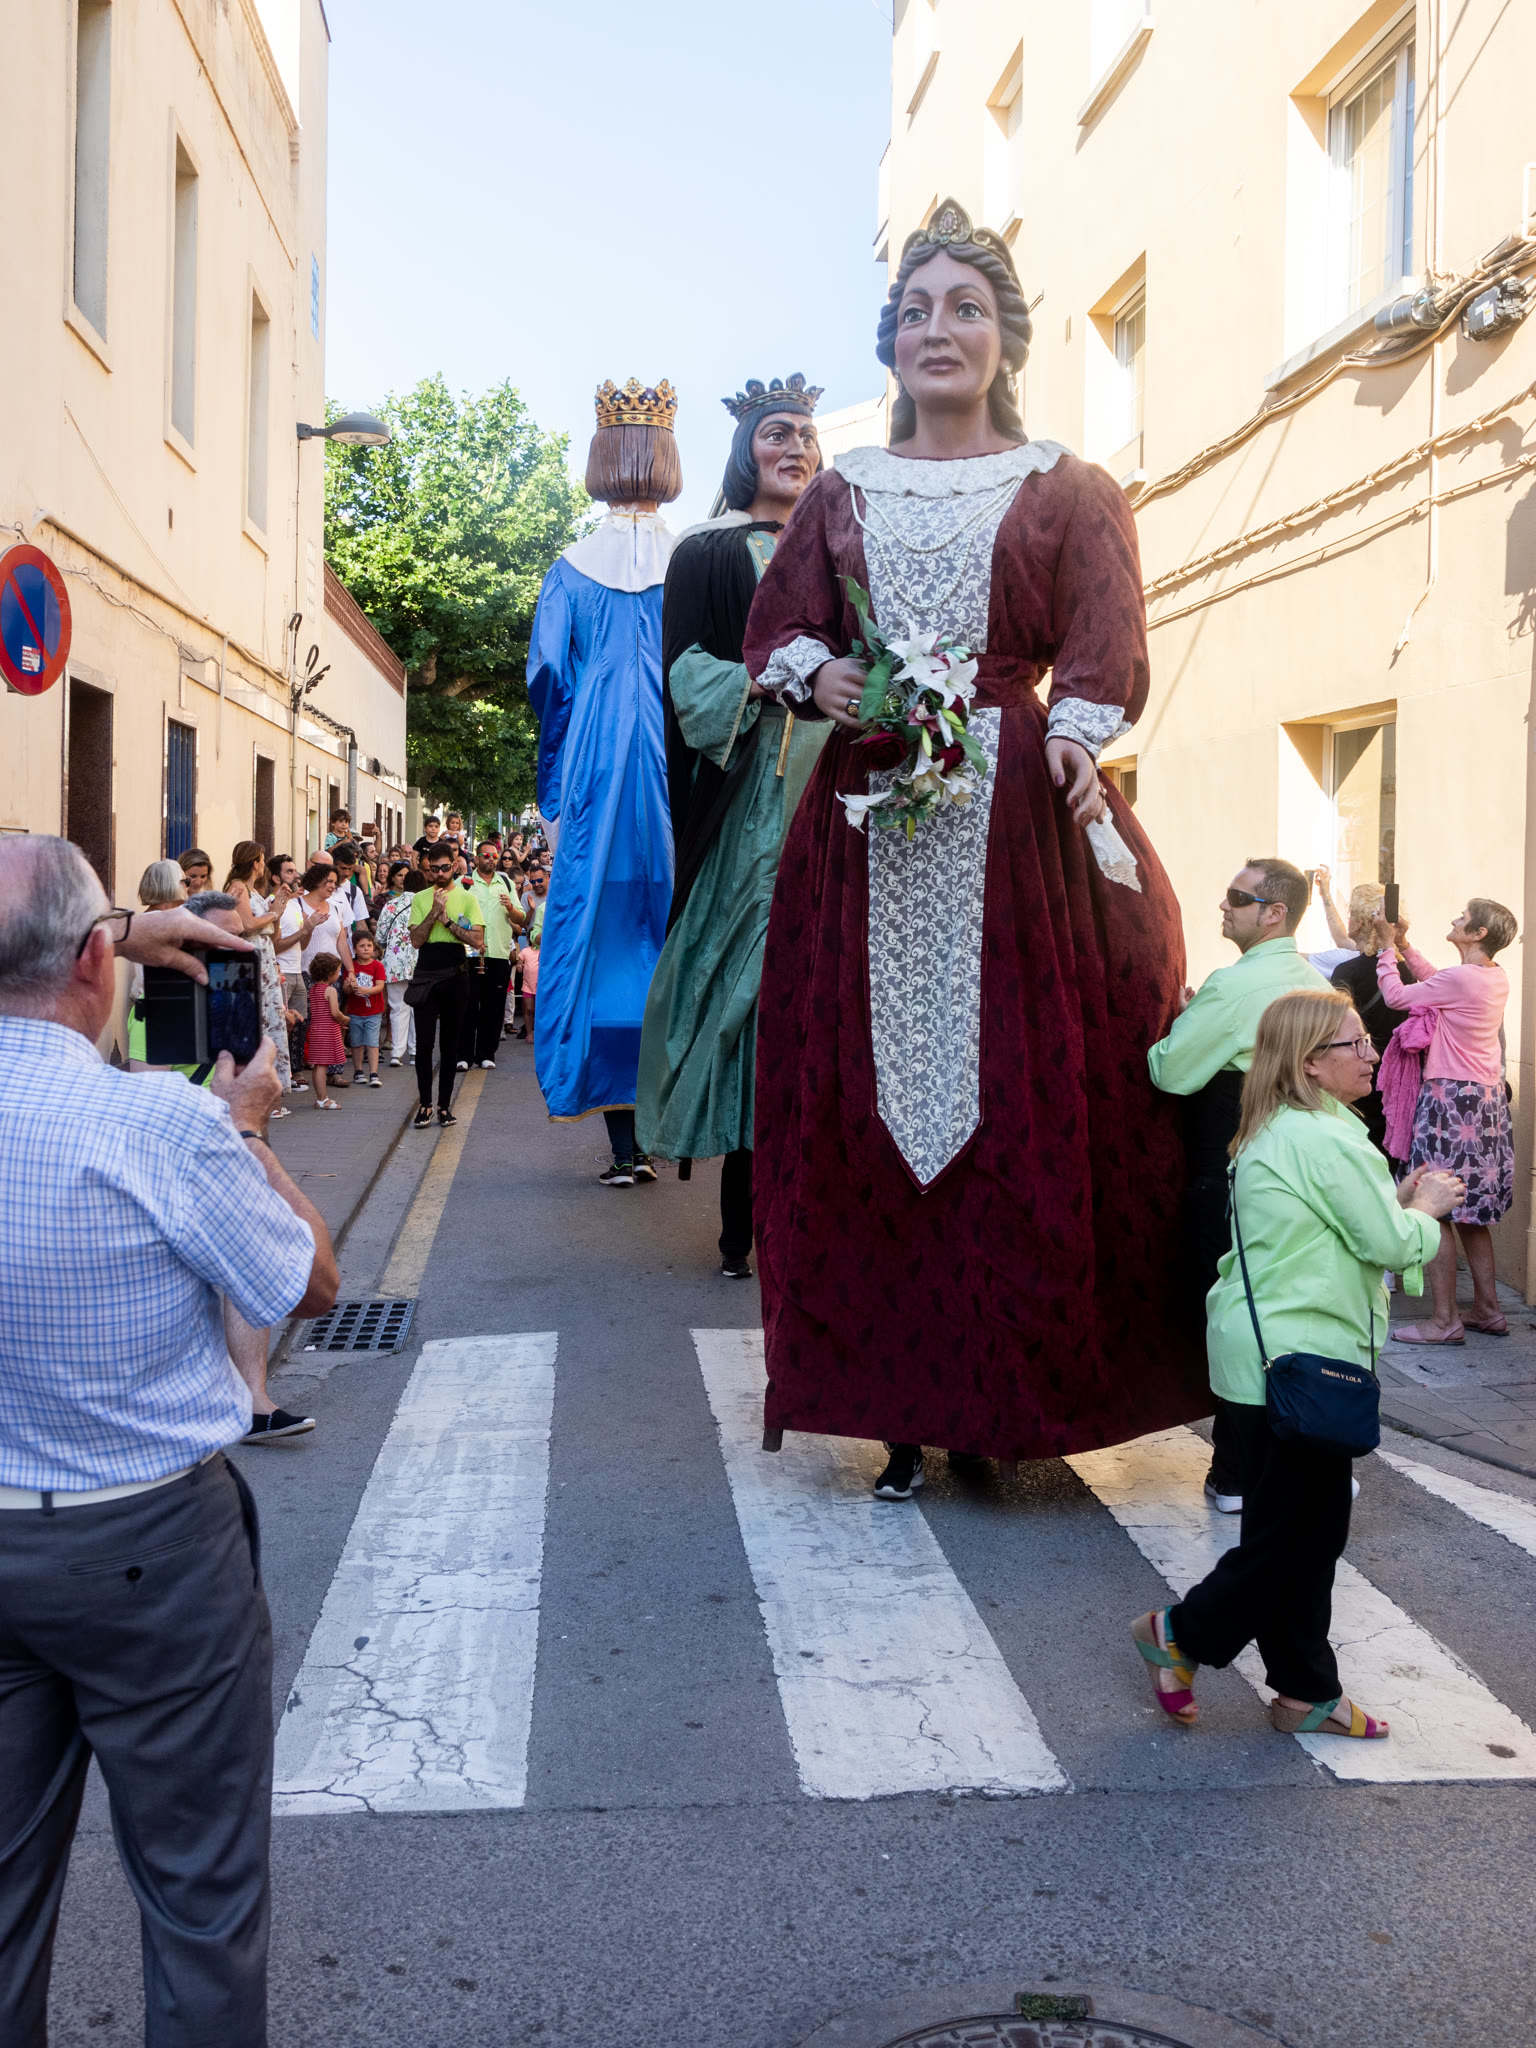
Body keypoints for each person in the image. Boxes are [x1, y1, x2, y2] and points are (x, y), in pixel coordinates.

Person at [742, 198, 1205, 1500]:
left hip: (1015, 840)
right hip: (870, 827)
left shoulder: (1069, 488)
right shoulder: (839, 493)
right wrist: (825, 677)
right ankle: (895, 1410)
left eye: (965, 308)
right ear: (888, 343)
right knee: (859, 1106)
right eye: (913, 312)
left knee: (1023, 1096)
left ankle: (1005, 1402)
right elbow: (783, 627)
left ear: (1006, 336)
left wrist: (1078, 739)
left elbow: (1104, 640)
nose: (937, 330)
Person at [0, 834, 337, 2046]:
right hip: (151, 1545)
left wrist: (115, 932)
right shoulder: (159, 1120)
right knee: (200, 1901)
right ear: (98, 961)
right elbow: (309, 1280)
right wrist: (246, 1128)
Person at [1131, 986, 1462, 1741]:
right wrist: (1426, 1211)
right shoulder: (1325, 1139)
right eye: (1355, 1043)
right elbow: (1391, 1245)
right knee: (1303, 1538)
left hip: (1264, 1354)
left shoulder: (1284, 1128)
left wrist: (1394, 1199)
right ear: (1311, 1062)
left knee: (1292, 1533)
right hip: (1299, 1357)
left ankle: (1305, 1692)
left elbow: (1334, 1228)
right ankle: (1179, 1633)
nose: (1372, 1053)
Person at [636, 375, 831, 1265]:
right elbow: (684, 674)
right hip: (753, 793)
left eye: (806, 435)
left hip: (837, 785)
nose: (795, 448)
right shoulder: (707, 554)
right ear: (745, 450)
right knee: (749, 983)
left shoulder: (844, 546)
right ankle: (740, 1217)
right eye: (776, 433)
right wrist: (767, 679)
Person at [527, 376, 680, 1180]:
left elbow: (551, 679)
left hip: (594, 768)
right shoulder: (697, 562)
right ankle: (673, 1121)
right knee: (674, 933)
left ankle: (625, 1143)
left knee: (600, 945)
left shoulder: (569, 571)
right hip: (675, 768)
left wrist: (554, 787)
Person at [1147, 858, 1330, 1511]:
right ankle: (1299, 1456)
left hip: (1236, 1174)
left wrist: (1186, 1021)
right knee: (1287, 1315)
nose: (1223, 906)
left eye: (1237, 897)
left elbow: (1170, 1072)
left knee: (1235, 1318)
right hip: (1306, 1179)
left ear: (1274, 913)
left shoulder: (1235, 986)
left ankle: (1235, 1471)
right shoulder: (1315, 983)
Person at [1374, 896, 1518, 1343]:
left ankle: (1444, 1321)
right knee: (1472, 1215)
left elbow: (1397, 996)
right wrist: (1406, 946)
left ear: (1478, 933)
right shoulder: (1492, 975)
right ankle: (1488, 1310)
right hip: (1485, 1102)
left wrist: (1386, 947)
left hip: (1450, 1101)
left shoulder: (1461, 979)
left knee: (1435, 1204)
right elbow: (1439, 980)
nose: (1456, 919)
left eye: (1463, 918)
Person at [1327, 883, 1417, 1158]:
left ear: (1360, 922)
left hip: (1359, 1075)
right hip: (1401, 1078)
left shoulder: (1347, 972)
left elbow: (1335, 1029)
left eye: (1351, 914)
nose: (1348, 920)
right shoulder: (1408, 970)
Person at [407, 850, 484, 1128]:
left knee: (450, 1044)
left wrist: (447, 921)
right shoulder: (420, 898)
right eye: (434, 869)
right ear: (428, 870)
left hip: (456, 972)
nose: (439, 873)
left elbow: (477, 940)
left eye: (444, 868)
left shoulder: (467, 898)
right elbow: (416, 940)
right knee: (424, 1044)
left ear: (453, 867)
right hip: (426, 971)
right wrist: (433, 912)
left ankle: (444, 1106)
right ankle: (425, 1105)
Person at [225, 841, 296, 1103]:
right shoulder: (238, 887)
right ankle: (252, 1089)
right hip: (249, 960)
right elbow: (247, 924)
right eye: (262, 860)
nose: (264, 865)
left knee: (269, 1021)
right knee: (255, 1022)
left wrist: (279, 909)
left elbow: (272, 934)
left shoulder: (254, 891)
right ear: (255, 863)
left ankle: (268, 1090)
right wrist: (273, 913)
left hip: (265, 959)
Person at [464, 839, 524, 1068]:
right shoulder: (464, 883)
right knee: (467, 1006)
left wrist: (510, 907)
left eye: (494, 856)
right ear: (477, 858)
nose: (491, 859)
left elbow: (520, 918)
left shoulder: (505, 882)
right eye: (486, 855)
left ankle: (487, 1054)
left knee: (494, 1007)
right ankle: (464, 1056)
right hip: (470, 953)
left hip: (498, 952)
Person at [125, 860, 187, 1069]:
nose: (188, 885)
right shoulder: (161, 922)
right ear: (170, 884)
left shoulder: (148, 920)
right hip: (162, 1010)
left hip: (156, 1007)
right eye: (184, 881)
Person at [374, 862, 419, 1066]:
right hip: (420, 963)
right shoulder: (427, 904)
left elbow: (380, 937)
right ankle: (415, 1051)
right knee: (417, 1007)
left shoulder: (391, 905)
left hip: (394, 963)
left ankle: (396, 1053)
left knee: (397, 1007)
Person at [304, 954, 347, 1108]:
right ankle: (322, 1099)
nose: (339, 975)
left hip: (316, 1030)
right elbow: (335, 1012)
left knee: (318, 1065)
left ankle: (321, 1098)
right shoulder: (330, 990)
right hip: (327, 1031)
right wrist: (344, 1019)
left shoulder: (313, 989)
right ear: (329, 974)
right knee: (322, 1065)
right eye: (337, 971)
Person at [344, 934, 387, 1085]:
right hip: (355, 1011)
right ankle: (358, 1071)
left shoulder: (377, 966)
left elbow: (380, 986)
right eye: (362, 946)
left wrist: (366, 991)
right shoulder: (351, 968)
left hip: (374, 1011)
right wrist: (349, 985)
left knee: (372, 1042)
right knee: (356, 1043)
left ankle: (374, 1073)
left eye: (369, 945)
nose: (366, 949)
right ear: (355, 949)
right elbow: (346, 990)